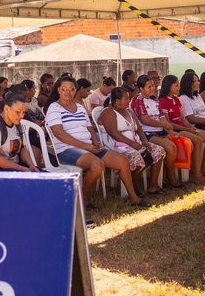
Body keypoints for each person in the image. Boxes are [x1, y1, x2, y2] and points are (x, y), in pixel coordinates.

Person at [46, 76, 148, 208]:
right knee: (97, 165)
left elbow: (90, 128)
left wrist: (95, 142)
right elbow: (59, 134)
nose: (68, 92)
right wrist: (86, 146)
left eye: (71, 89)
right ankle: (83, 198)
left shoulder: (80, 107)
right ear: (58, 90)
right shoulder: (54, 108)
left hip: (88, 147)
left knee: (123, 161)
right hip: (66, 149)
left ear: (76, 90)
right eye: (64, 89)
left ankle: (133, 197)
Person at [98, 88, 166, 194]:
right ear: (117, 101)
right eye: (126, 99)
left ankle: (153, 185)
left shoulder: (129, 111)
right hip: (117, 146)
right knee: (136, 158)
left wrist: (145, 141)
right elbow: (113, 133)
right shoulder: (108, 112)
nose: (128, 101)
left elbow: (139, 129)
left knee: (159, 150)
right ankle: (132, 185)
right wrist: (132, 144)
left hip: (135, 143)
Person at [158, 74, 205, 184]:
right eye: (176, 85)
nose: (178, 88)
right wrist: (187, 129)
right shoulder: (162, 101)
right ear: (168, 86)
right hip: (177, 129)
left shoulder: (176, 99)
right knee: (198, 141)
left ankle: (204, 168)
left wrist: (191, 127)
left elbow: (183, 119)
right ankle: (197, 175)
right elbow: (169, 123)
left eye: (178, 85)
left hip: (184, 128)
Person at [130, 75, 183, 188]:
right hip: (147, 134)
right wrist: (164, 125)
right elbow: (145, 120)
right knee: (170, 147)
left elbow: (162, 117)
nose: (152, 88)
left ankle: (165, 176)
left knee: (177, 143)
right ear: (141, 89)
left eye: (153, 85)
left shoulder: (155, 100)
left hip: (160, 132)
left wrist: (170, 130)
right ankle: (170, 176)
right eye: (149, 87)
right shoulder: (137, 100)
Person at [0, 92, 39, 172]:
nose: (21, 116)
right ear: (6, 108)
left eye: (23, 112)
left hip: (14, 166)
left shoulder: (17, 125)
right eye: (18, 112)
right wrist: (20, 168)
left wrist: (31, 165)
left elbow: (23, 149)